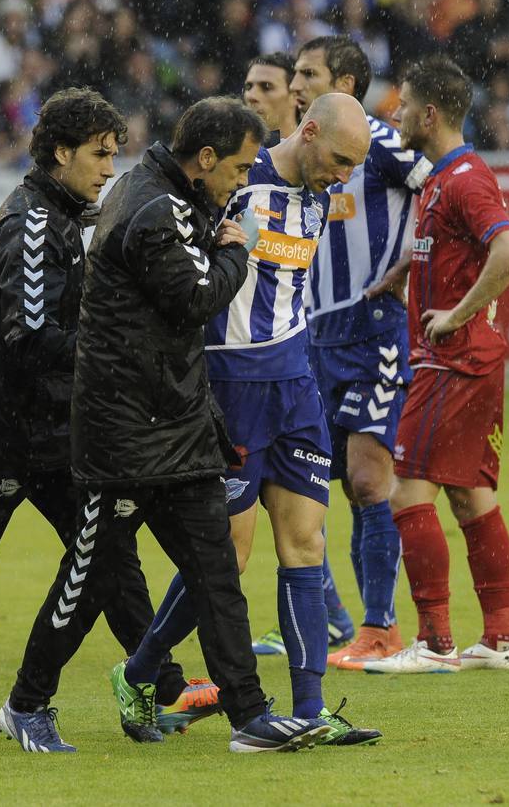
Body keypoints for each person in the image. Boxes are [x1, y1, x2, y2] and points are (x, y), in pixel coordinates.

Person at [0, 97, 331, 754]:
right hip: (121, 426)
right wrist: (239, 252)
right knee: (88, 578)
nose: (242, 179)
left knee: (215, 566)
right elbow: (197, 297)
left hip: (175, 418)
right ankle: (24, 704)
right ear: (205, 160)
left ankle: (249, 717)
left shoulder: (167, 196)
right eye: (236, 167)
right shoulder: (152, 209)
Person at [0, 88, 189, 744]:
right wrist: (117, 352)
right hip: (3, 434)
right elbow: (28, 337)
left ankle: (163, 689)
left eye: (114, 154)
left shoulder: (57, 218)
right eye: (100, 155)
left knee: (106, 557)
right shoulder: (31, 225)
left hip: (52, 432)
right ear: (59, 153)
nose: (109, 168)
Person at [117, 93, 381, 746]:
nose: (343, 175)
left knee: (306, 544)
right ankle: (142, 673)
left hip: (296, 386)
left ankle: (311, 708)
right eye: (340, 159)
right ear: (309, 132)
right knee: (226, 557)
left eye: (355, 166)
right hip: (230, 384)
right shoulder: (237, 180)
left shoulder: (320, 195)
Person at [360, 56, 509, 675]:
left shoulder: (463, 180)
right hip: (471, 361)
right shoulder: (444, 177)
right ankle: (500, 640)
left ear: (429, 113)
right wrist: (408, 271)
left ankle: (433, 644)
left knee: (405, 491)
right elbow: (451, 247)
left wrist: (454, 315)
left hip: (451, 362)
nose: (394, 113)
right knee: (472, 496)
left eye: (402, 104)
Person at [290, 35, 436, 670]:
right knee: (311, 487)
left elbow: (447, 191)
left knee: (368, 478)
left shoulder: (380, 140)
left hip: (377, 330)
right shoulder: (304, 150)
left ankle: (383, 629)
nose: (296, 84)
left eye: (308, 73)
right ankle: (349, 626)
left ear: (343, 82)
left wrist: (413, 259)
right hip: (315, 337)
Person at [243, 53, 300, 143]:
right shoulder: (229, 153)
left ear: (295, 96)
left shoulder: (316, 153)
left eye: (266, 87)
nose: (251, 96)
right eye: (248, 87)